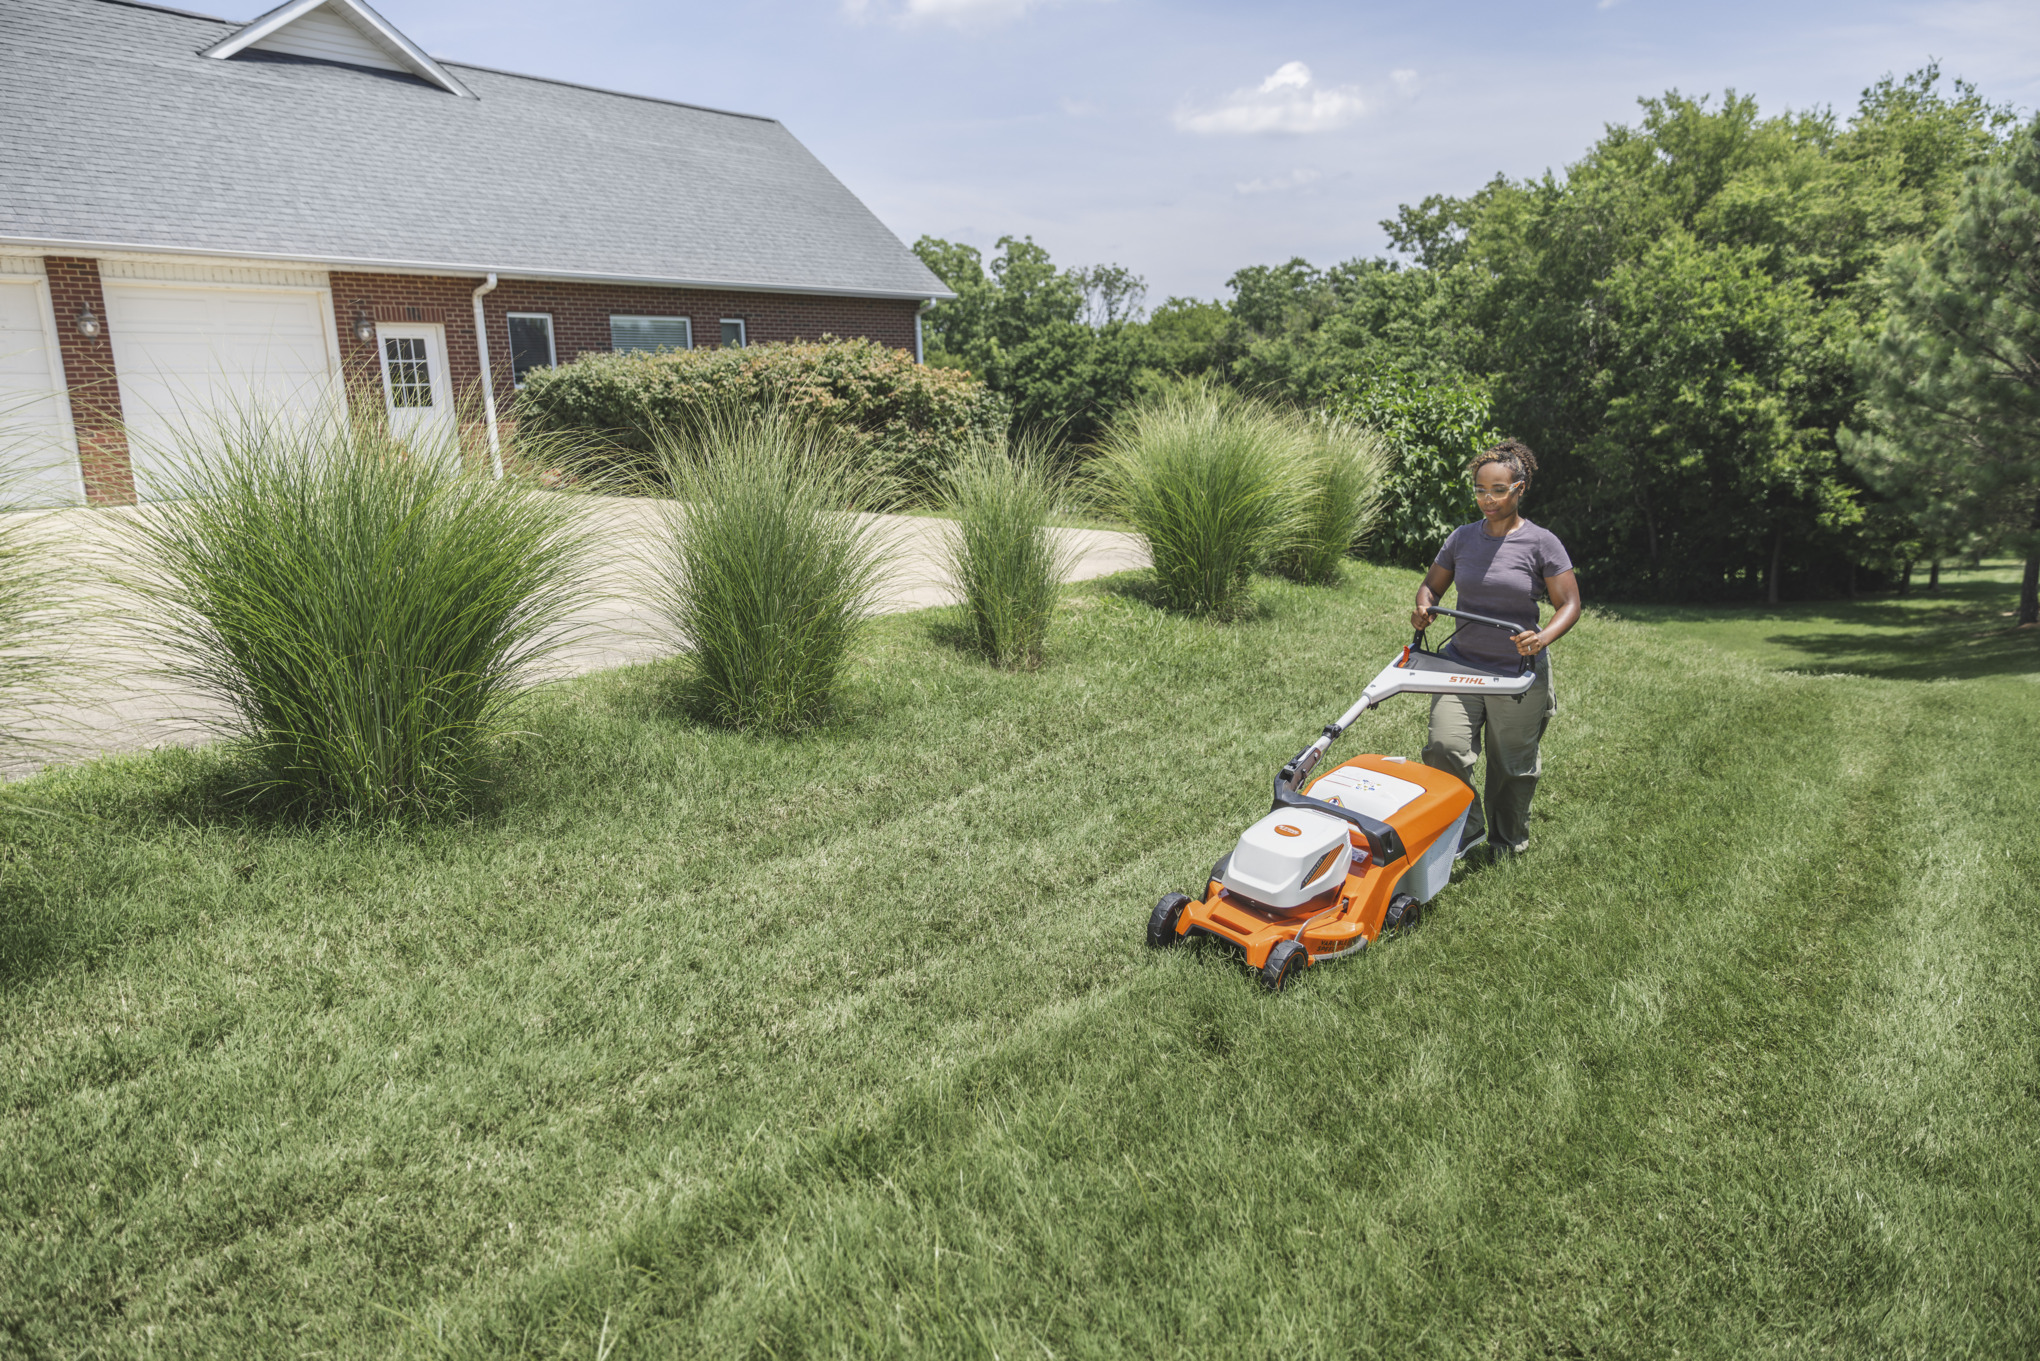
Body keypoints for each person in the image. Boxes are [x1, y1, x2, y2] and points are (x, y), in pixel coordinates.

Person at [1410, 440, 1581, 856]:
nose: (1488, 500)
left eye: (1498, 490)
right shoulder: (1462, 539)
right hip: (1461, 663)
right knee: (1444, 748)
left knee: (1511, 766)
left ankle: (1507, 843)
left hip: (1516, 670)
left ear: (1519, 489)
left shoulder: (1542, 543)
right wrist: (1423, 606)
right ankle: (1465, 830)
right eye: (1480, 490)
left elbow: (1570, 604)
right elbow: (1432, 585)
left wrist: (1542, 638)